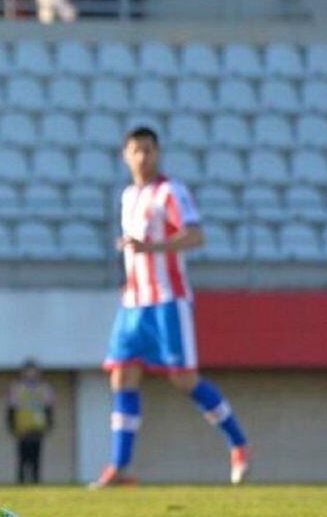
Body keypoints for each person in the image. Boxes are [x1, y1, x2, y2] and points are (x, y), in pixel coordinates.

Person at [90, 126, 250, 488]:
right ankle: (120, 467)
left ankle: (239, 444)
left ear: (158, 153)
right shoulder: (128, 196)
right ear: (125, 156)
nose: (143, 157)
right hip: (133, 302)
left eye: (149, 150)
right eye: (136, 150)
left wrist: (152, 249)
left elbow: (195, 235)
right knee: (122, 376)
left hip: (167, 299)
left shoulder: (170, 192)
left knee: (184, 379)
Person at [7, 360, 54, 485]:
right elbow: (11, 409)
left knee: (36, 459)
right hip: (22, 429)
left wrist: (49, 425)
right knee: (22, 459)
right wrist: (12, 426)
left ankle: (36, 483)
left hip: (37, 429)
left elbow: (48, 408)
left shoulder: (44, 388)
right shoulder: (17, 388)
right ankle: (21, 483)